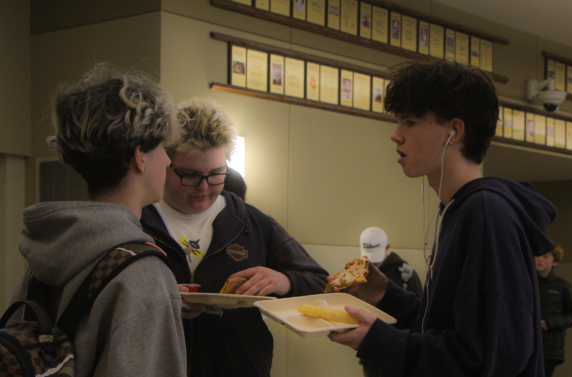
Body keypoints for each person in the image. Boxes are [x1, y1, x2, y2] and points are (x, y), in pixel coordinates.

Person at [328, 60, 557, 377]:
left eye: (409, 122)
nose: (395, 135)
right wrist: (386, 296)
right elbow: (444, 326)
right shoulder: (459, 209)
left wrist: (379, 341)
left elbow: (494, 356)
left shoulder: (486, 212)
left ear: (455, 131)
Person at [9, 64, 187, 376]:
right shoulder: (143, 272)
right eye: (161, 147)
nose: (169, 160)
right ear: (139, 156)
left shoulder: (45, 256)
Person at [140, 97, 329, 377]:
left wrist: (285, 280)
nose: (204, 188)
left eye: (216, 175)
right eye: (190, 176)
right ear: (165, 163)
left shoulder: (252, 223)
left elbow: (321, 283)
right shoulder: (137, 220)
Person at [358, 226, 423, 377]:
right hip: (370, 351)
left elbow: (420, 315)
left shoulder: (405, 274)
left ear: (387, 247)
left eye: (376, 257)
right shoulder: (359, 272)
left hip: (400, 350)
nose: (373, 264)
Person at [535, 244, 572, 377]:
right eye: (537, 256)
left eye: (545, 256)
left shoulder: (562, 286)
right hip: (526, 342)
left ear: (554, 261)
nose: (539, 260)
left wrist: (550, 323)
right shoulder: (526, 283)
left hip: (550, 346)